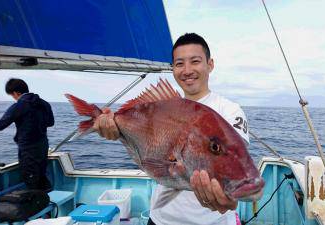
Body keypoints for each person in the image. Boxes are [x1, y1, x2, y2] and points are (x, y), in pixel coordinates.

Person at [94, 33, 252, 225]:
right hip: (161, 220)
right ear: (173, 68)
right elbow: (152, 160)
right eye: (179, 64)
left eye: (195, 61)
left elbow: (235, 163)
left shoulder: (229, 111)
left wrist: (230, 197)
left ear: (210, 65)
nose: (187, 70)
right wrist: (114, 129)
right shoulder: (162, 105)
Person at [0, 78, 54, 191]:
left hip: (28, 149)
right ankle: (48, 200)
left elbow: (0, 125)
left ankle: (37, 205)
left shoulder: (19, 105)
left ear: (16, 93)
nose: (14, 98)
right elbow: (51, 123)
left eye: (12, 95)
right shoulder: (44, 103)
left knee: (31, 179)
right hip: (42, 145)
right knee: (41, 175)